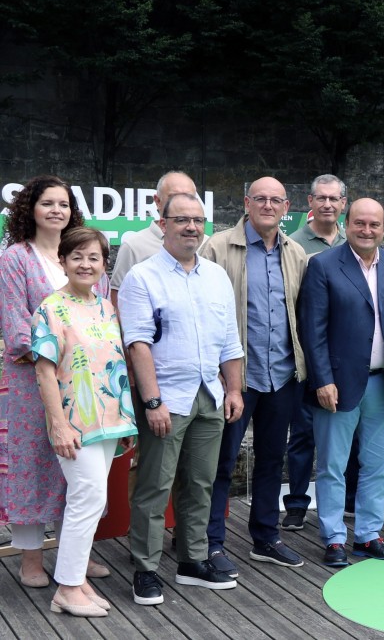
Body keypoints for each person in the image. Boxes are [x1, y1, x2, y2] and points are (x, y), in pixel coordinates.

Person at [120, 192, 245, 605]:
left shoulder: (216, 276)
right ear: (163, 222)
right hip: (167, 399)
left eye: (198, 219)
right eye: (182, 219)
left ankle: (192, 561)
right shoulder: (143, 277)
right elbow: (137, 343)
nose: (191, 227)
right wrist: (153, 403)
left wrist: (233, 389)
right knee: (154, 487)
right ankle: (146, 569)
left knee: (199, 484)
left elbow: (230, 340)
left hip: (209, 395)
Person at [0, 175, 105, 590]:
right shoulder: (15, 258)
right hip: (31, 380)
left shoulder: (75, 255)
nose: (56, 211)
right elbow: (14, 325)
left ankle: (73, 555)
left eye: (63, 204)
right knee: (33, 465)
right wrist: (54, 355)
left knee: (76, 468)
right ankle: (29, 558)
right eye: (47, 203)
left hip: (79, 382)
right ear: (31, 209)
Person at [199, 177, 308, 575]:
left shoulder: (295, 252)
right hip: (233, 380)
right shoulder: (216, 247)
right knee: (221, 463)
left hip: (281, 375)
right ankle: (210, 543)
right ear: (246, 203)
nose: (267, 205)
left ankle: (265, 536)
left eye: (275, 199)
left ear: (287, 206)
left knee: (271, 459)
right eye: (259, 198)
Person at [300, 198, 384, 567]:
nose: (367, 230)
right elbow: (312, 330)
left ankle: (367, 536)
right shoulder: (323, 265)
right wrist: (322, 379)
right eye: (360, 223)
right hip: (337, 386)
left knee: (377, 466)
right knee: (332, 466)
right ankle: (334, 538)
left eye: (375, 224)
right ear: (347, 224)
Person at [31, 227, 137, 617]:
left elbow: (114, 364)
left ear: (103, 265)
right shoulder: (50, 308)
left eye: (94, 257)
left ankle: (75, 578)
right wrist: (57, 425)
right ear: (62, 262)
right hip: (74, 424)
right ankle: (68, 589)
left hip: (109, 422)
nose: (86, 264)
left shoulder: (106, 308)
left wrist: (126, 421)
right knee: (86, 498)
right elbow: (44, 372)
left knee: (93, 500)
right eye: (77, 256)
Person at [282, 174, 348, 531]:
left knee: (349, 431)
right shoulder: (294, 245)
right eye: (320, 198)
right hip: (307, 354)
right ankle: (296, 503)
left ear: (342, 205)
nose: (327, 204)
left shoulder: (352, 241)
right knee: (303, 432)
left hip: (347, 354)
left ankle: (349, 500)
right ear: (310, 202)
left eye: (333, 199)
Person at [110, 171, 205, 309]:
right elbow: (119, 302)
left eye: (189, 197)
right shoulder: (134, 246)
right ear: (157, 201)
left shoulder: (207, 244)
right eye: (174, 196)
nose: (182, 203)